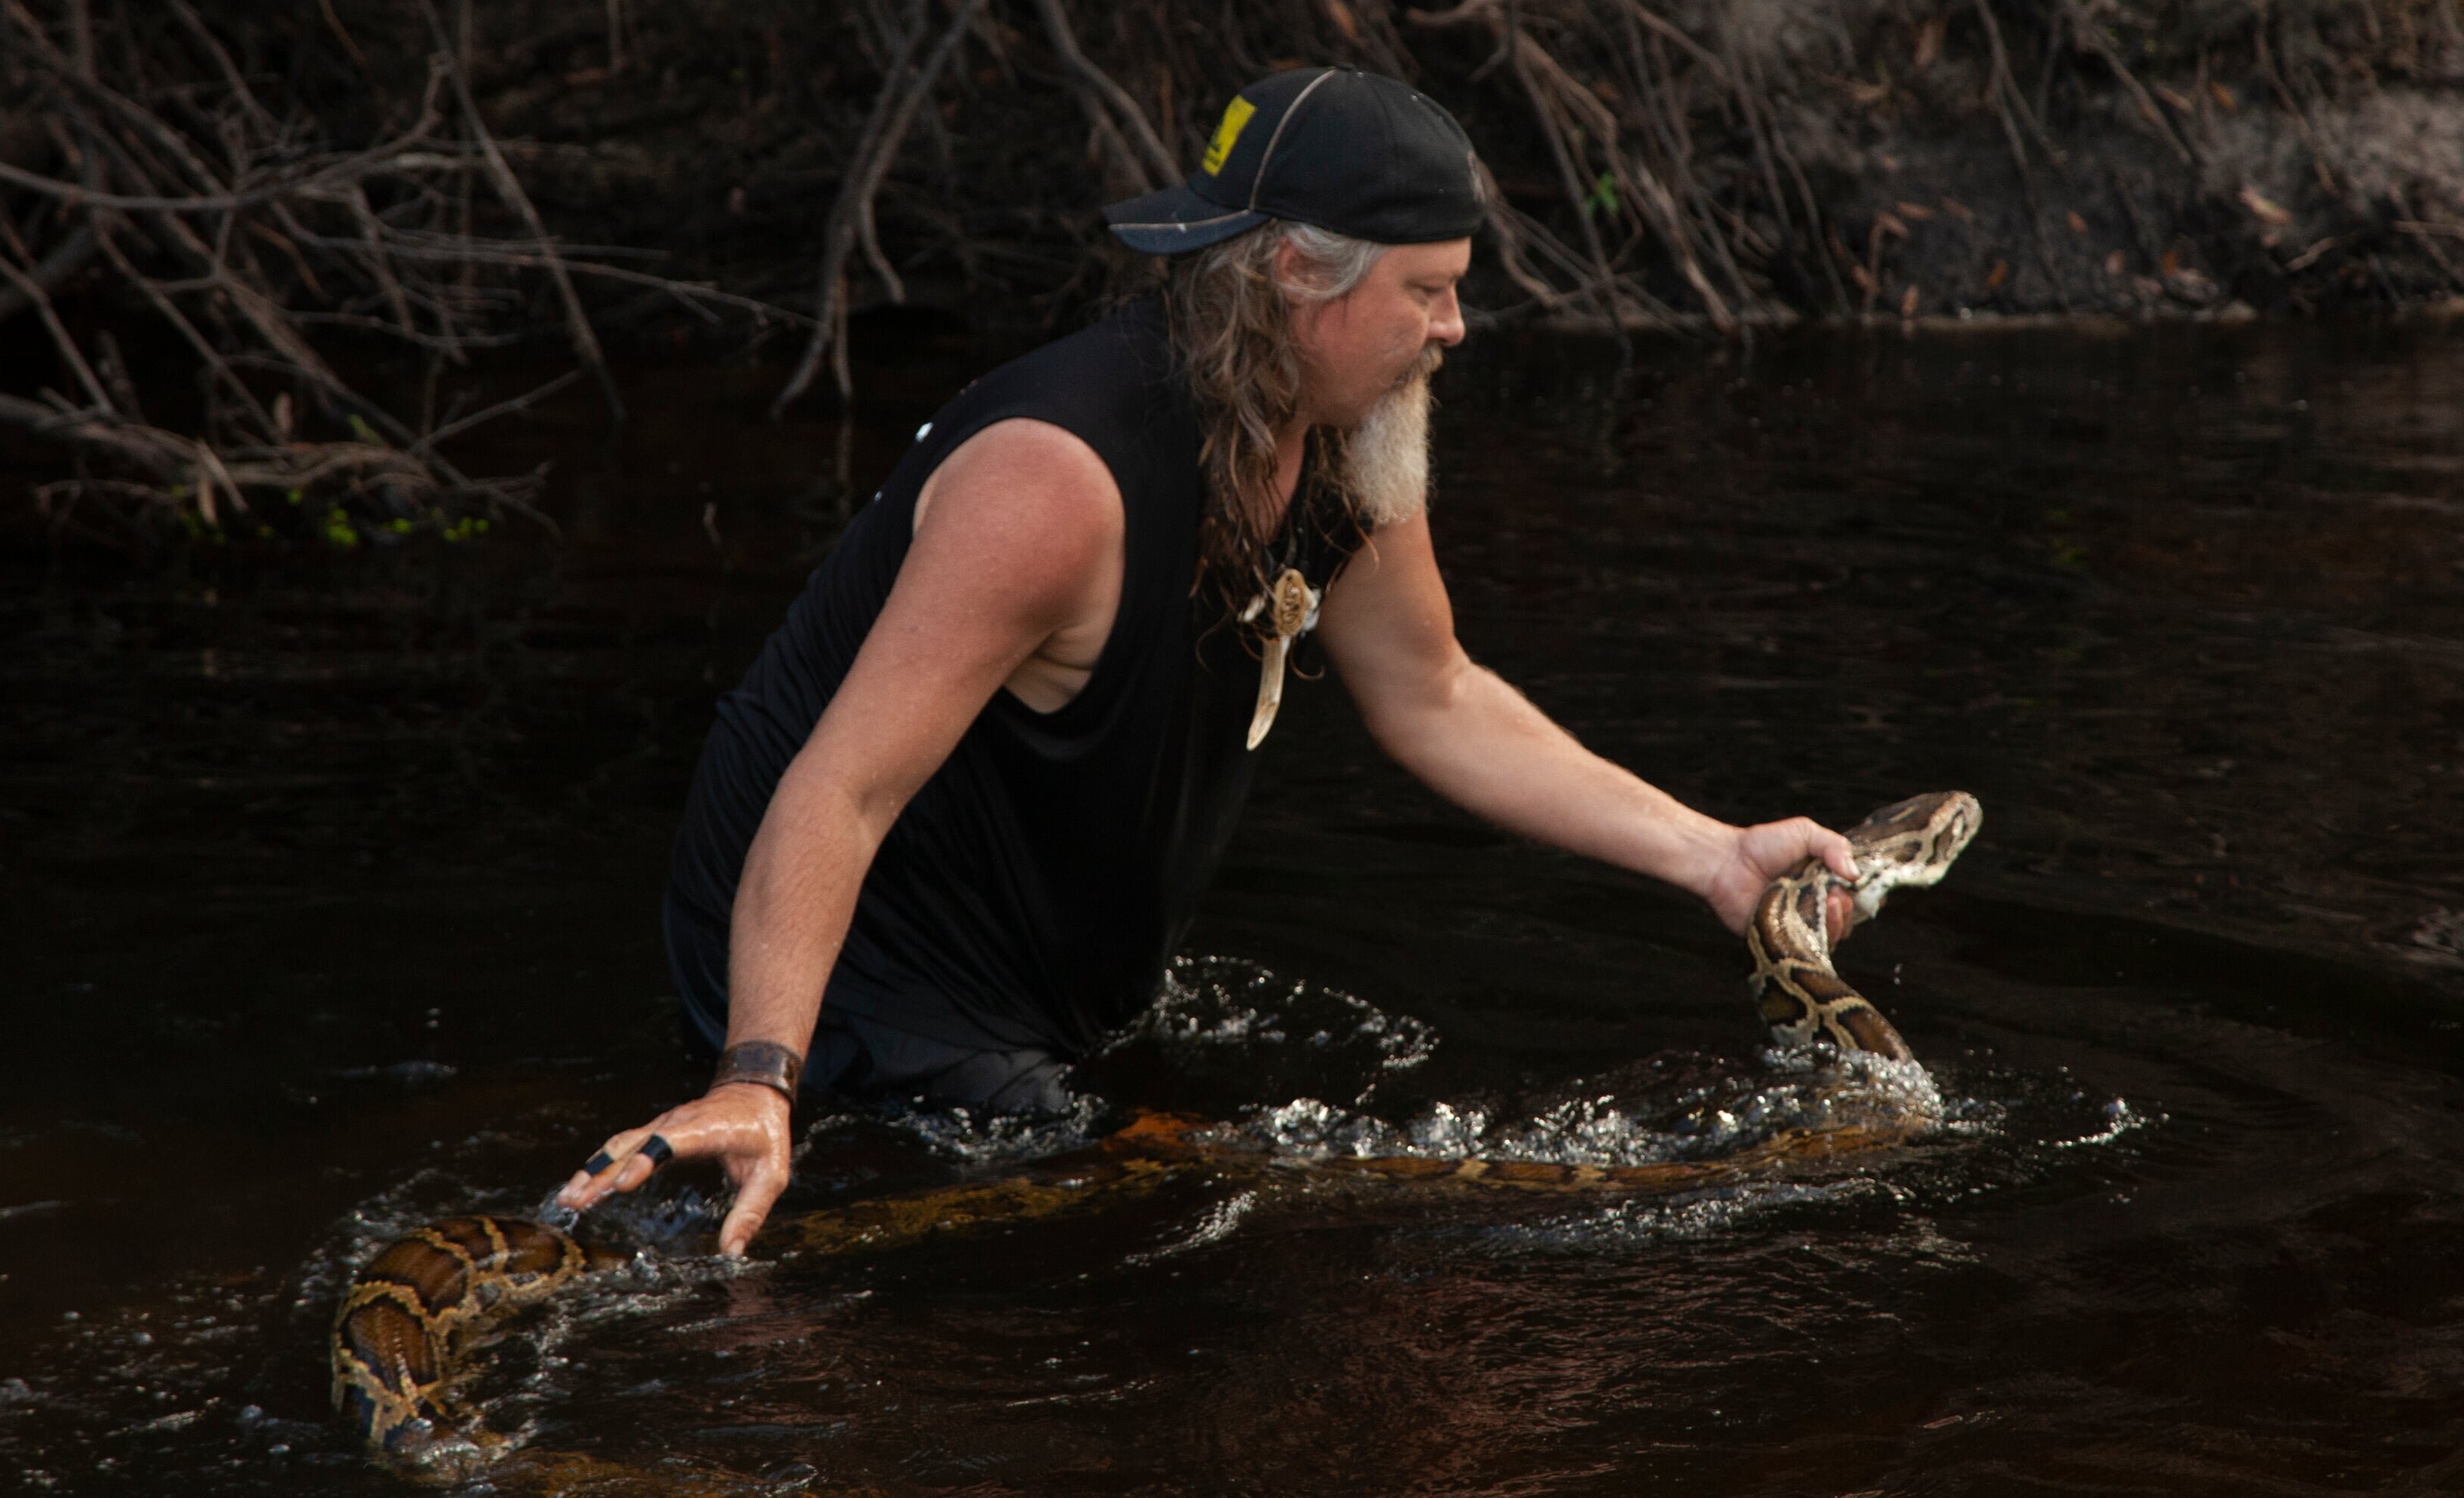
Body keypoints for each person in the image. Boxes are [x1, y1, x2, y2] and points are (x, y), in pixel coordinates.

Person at [559, 66, 1864, 1255]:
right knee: (1185, 1220)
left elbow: (1437, 691)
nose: (1457, 327)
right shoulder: (1057, 480)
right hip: (861, 966)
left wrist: (1713, 855)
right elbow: (836, 787)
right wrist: (756, 1075)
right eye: (1427, 289)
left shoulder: (1350, 429)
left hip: (1047, 975)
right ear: (1298, 272)